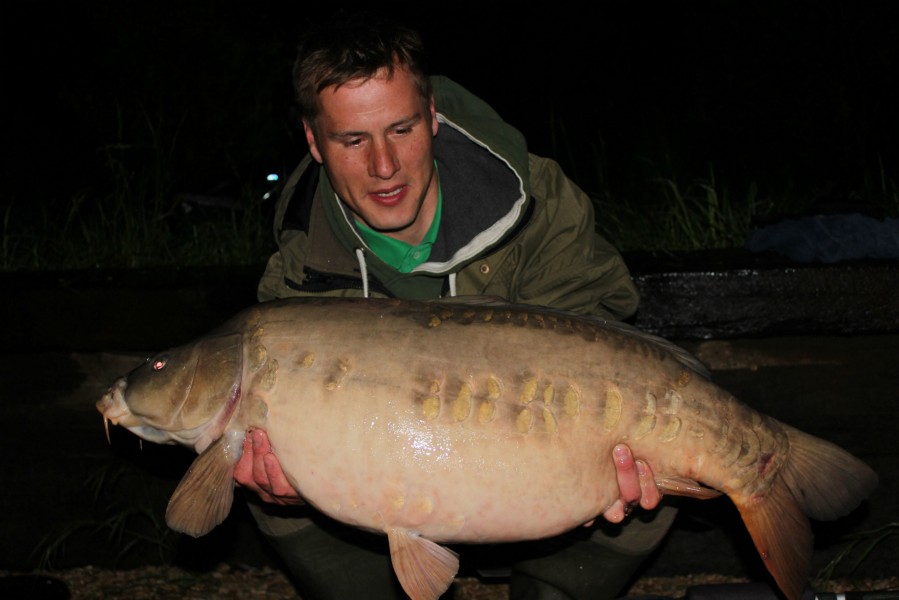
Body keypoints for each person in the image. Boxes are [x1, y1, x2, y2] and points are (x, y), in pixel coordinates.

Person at [233, 10, 677, 600]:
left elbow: (595, 336)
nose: (384, 166)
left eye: (401, 129)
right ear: (314, 142)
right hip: (379, 499)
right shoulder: (297, 276)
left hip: (532, 472)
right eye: (353, 139)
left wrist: (596, 462)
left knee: (655, 464)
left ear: (433, 117)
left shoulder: (537, 201)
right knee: (273, 489)